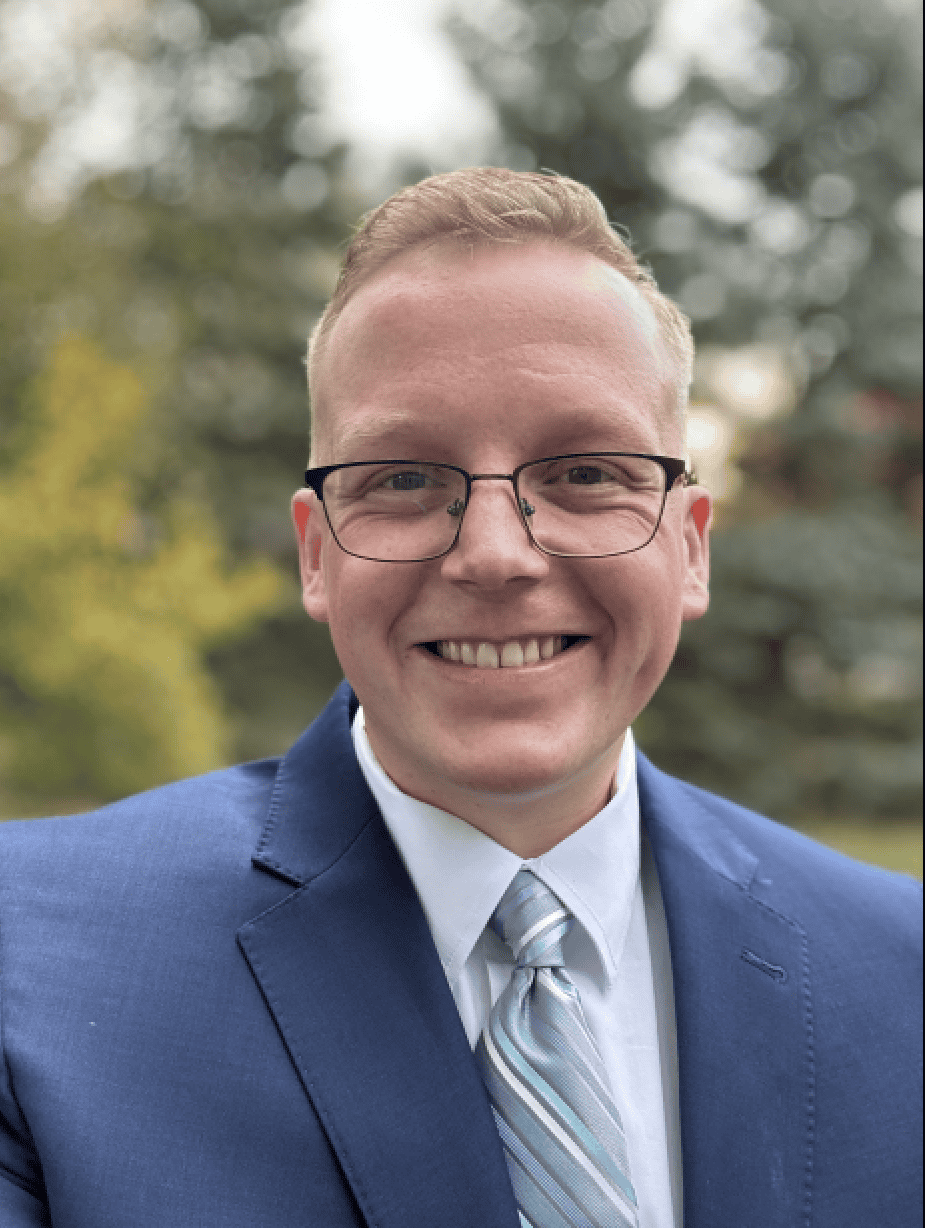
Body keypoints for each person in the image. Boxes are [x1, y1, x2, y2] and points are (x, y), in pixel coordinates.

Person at [0, 169, 920, 1228]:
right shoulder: (29, 967)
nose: (494, 556)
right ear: (314, 555)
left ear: (691, 546)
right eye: (401, 478)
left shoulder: (904, 978)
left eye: (584, 473)